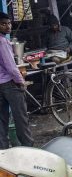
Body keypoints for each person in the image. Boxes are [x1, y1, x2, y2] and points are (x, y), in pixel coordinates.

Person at [0, 11, 33, 149]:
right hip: (9, 84)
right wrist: (21, 81)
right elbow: (11, 67)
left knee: (1, 122)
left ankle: (3, 153)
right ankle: (29, 149)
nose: (8, 26)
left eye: (9, 23)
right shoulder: (2, 41)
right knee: (21, 119)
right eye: (3, 24)